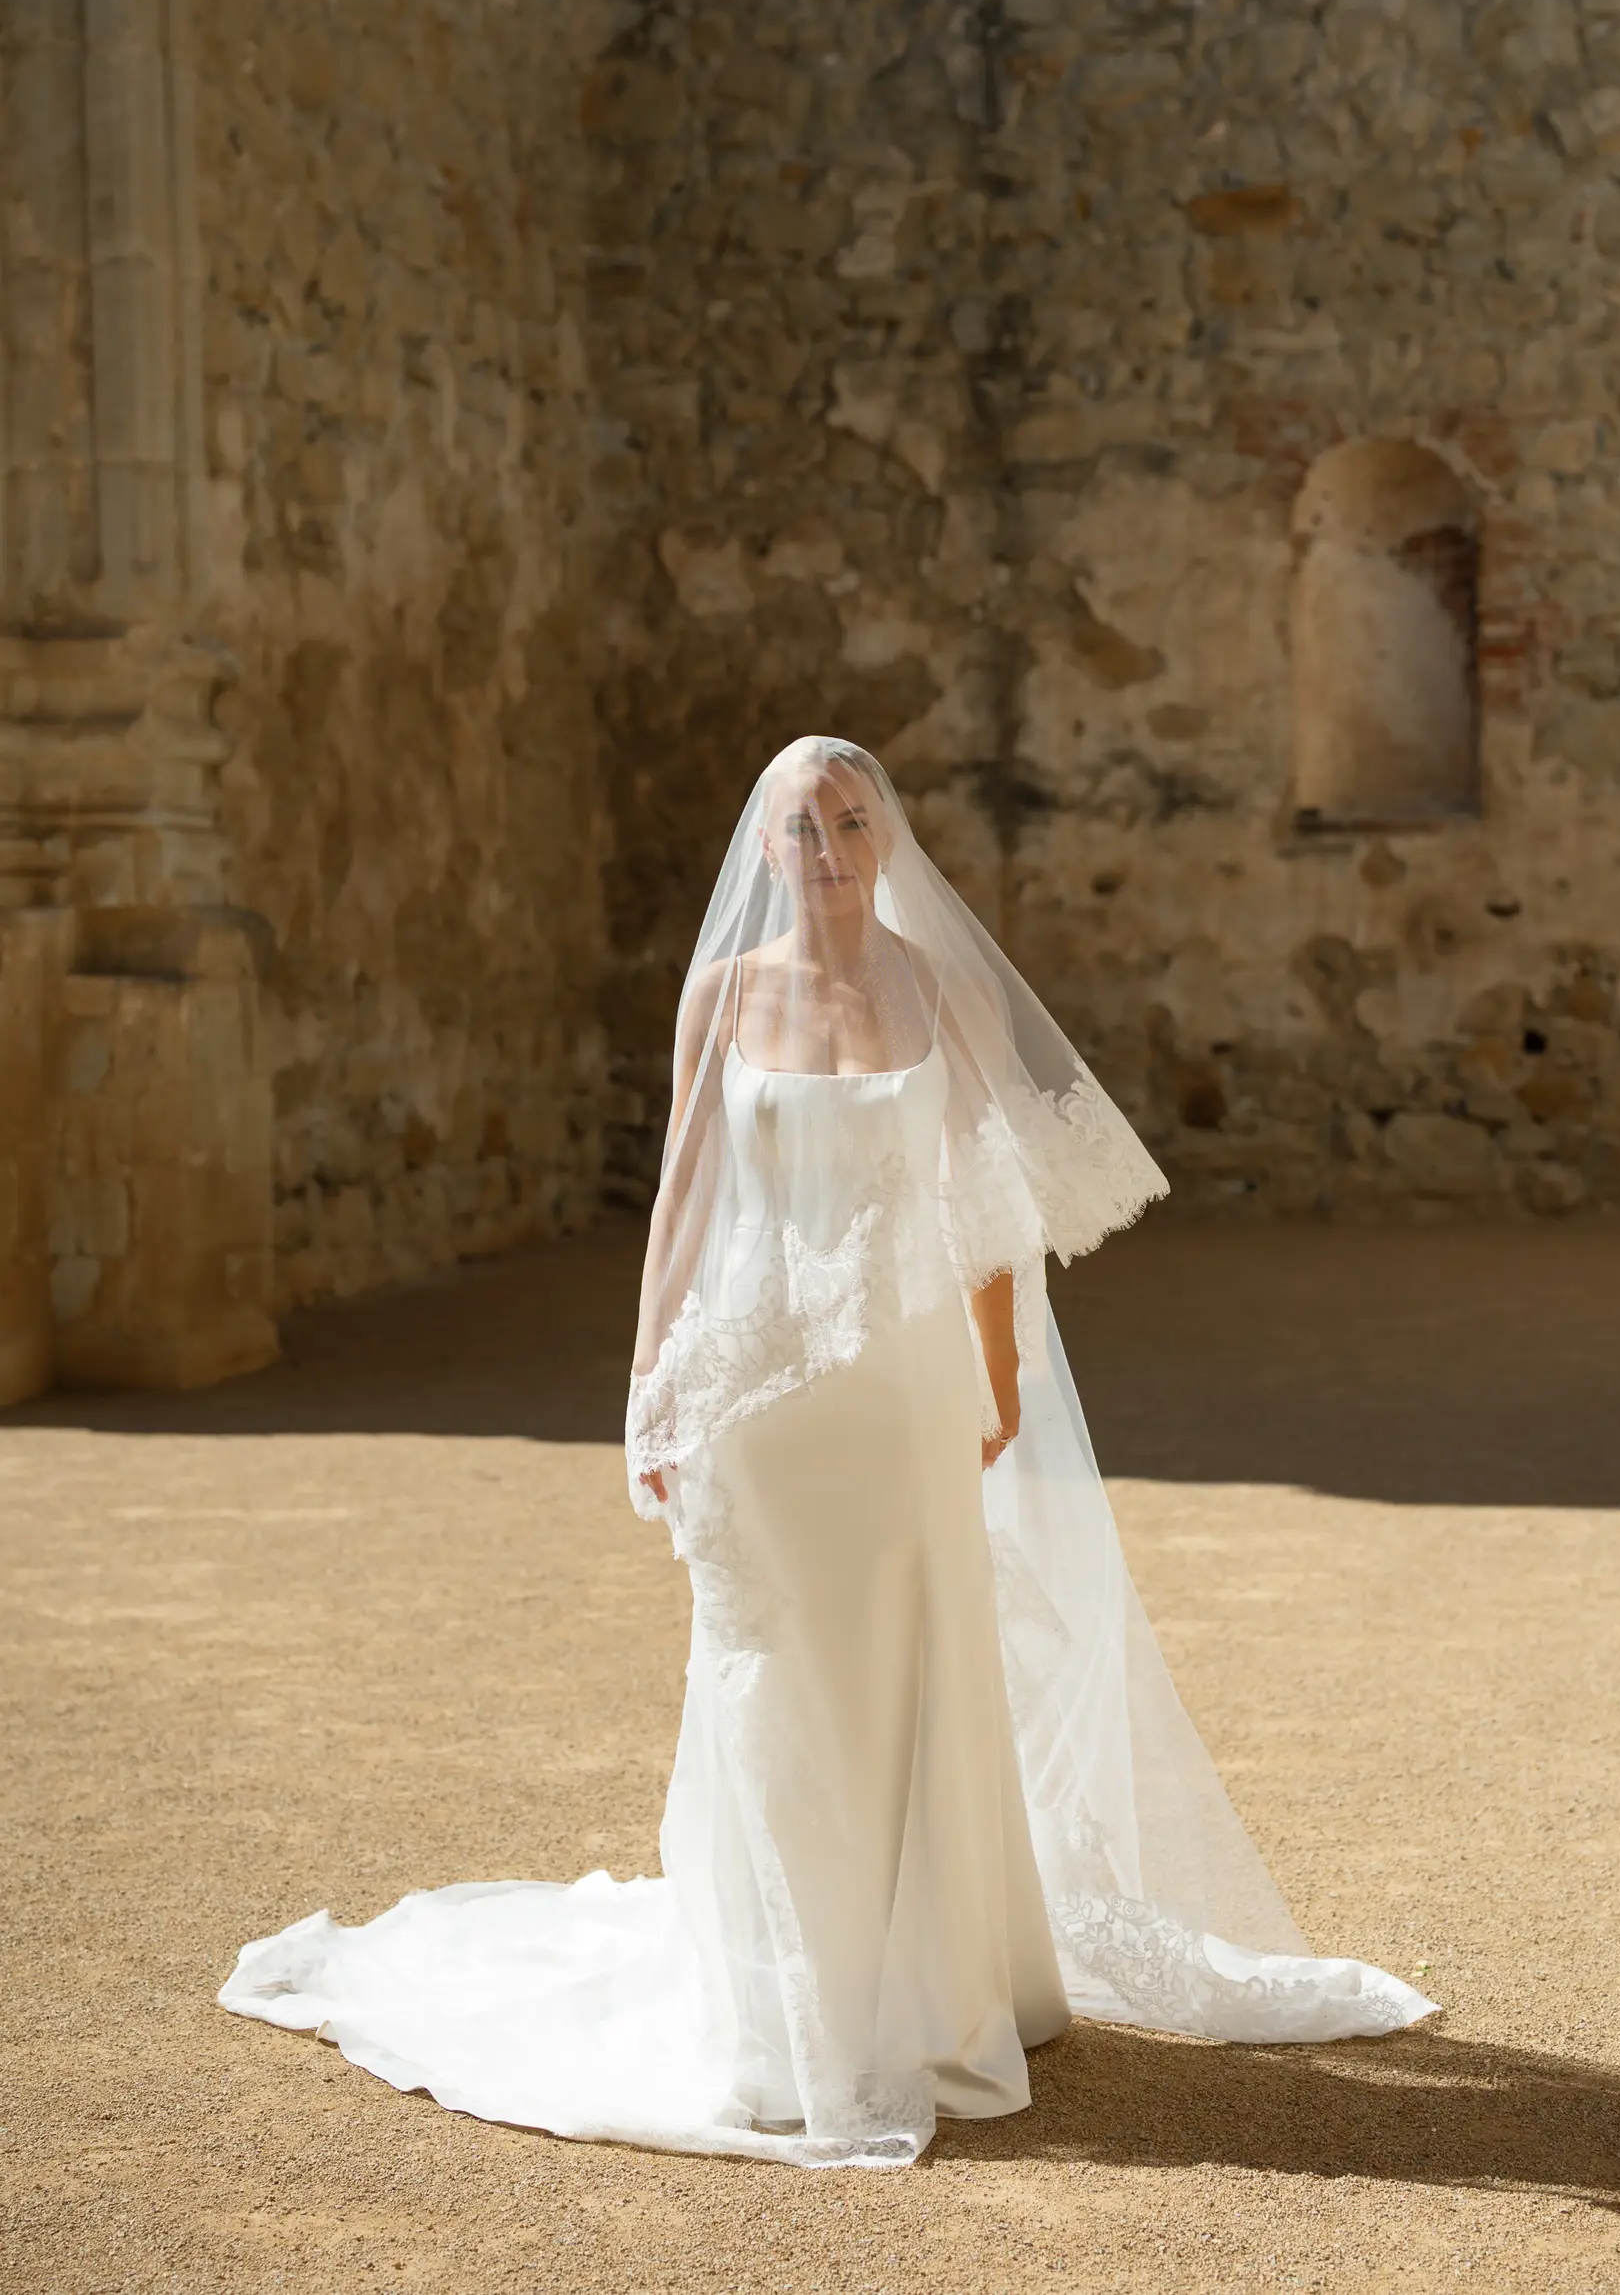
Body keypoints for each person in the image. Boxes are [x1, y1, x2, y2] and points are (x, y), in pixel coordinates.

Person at [221, 735, 1433, 2167]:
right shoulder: (725, 996)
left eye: (851, 821)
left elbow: (984, 1195)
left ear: (887, 835)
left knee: (916, 1654)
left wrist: (993, 1374)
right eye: (802, 829)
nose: (829, 848)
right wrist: (648, 1379)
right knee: (775, 1677)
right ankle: (774, 2011)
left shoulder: (936, 984)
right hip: (760, 1393)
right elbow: (682, 1194)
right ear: (770, 851)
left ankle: (936, 1982)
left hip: (905, 1391)